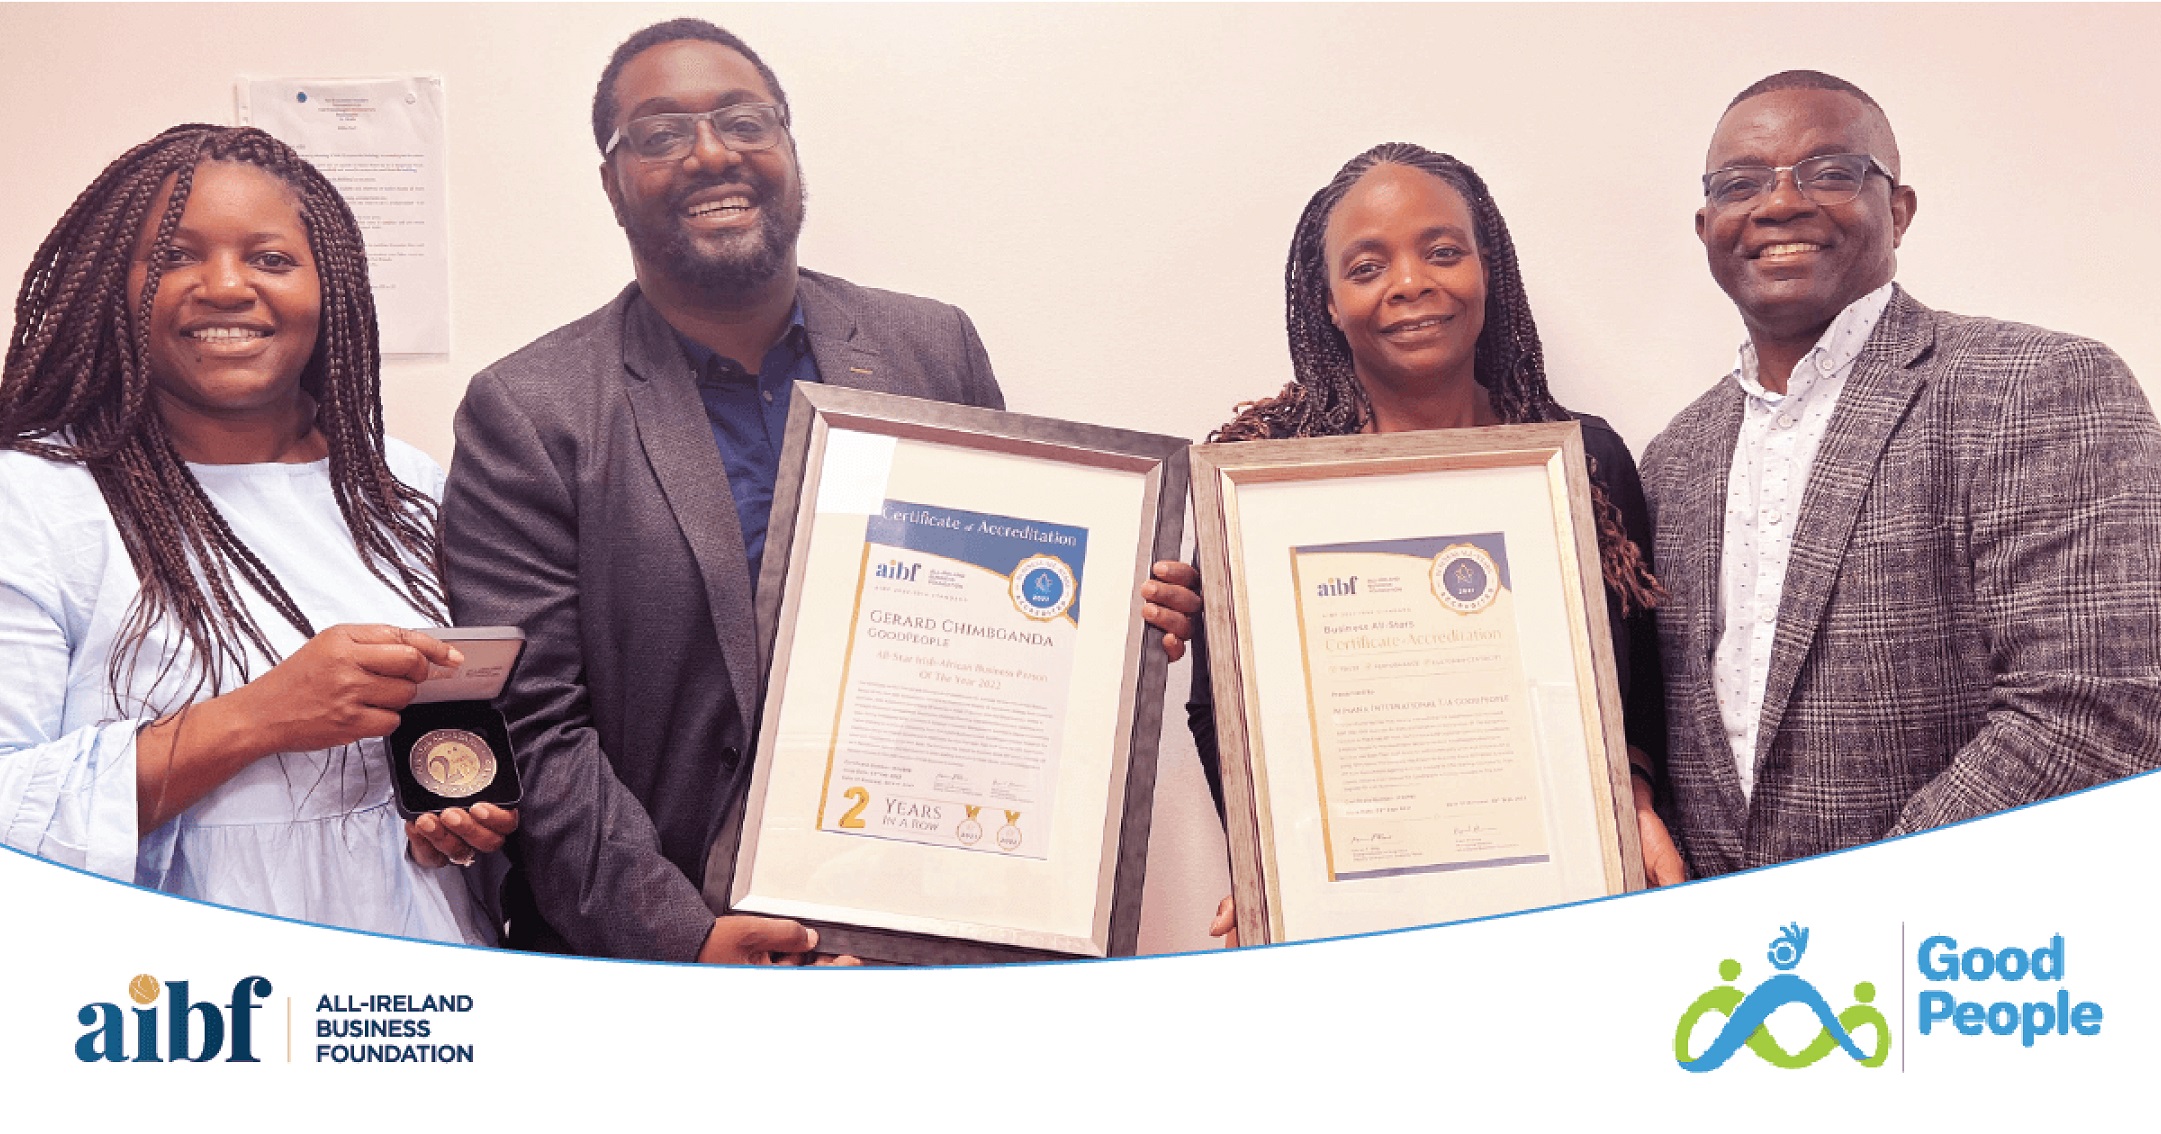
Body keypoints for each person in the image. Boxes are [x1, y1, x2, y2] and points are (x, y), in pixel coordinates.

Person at [436, 19, 1004, 963]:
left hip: (927, 923)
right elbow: (532, 722)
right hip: (673, 949)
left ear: (788, 147)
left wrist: (1110, 606)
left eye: (745, 121)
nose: (711, 155)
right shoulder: (530, 411)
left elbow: (1001, 629)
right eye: (661, 134)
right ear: (612, 183)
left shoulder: (930, 349)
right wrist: (684, 938)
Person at [0, 124, 516, 940]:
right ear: (111, 287)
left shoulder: (400, 488)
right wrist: (257, 717)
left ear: (329, 288)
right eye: (174, 256)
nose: (225, 286)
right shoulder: (32, 500)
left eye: (271, 259)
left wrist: (446, 818)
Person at [1164, 143, 1687, 945]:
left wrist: (1635, 798)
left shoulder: (1586, 464)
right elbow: (1218, 710)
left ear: (1488, 270)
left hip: (1562, 903)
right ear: (1326, 301)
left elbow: (1642, 686)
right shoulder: (1261, 484)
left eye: (1442, 252)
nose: (1409, 283)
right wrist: (1273, 865)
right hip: (1354, 917)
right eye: (1367, 267)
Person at [1640, 70, 2161, 876]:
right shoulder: (1672, 457)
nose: (1779, 203)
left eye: (1829, 172)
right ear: (1706, 225)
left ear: (1899, 209)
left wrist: (1862, 907)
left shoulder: (2038, 385)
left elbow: (2099, 707)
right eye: (1740, 184)